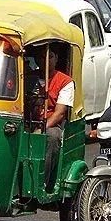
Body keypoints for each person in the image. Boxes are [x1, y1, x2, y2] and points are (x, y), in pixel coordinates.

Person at [35, 45, 74, 191]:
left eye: (50, 57)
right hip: (29, 122)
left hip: (51, 124)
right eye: (42, 57)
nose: (46, 61)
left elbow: (59, 113)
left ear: (56, 59)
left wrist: (42, 128)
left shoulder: (65, 81)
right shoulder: (28, 77)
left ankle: (41, 182)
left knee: (52, 137)